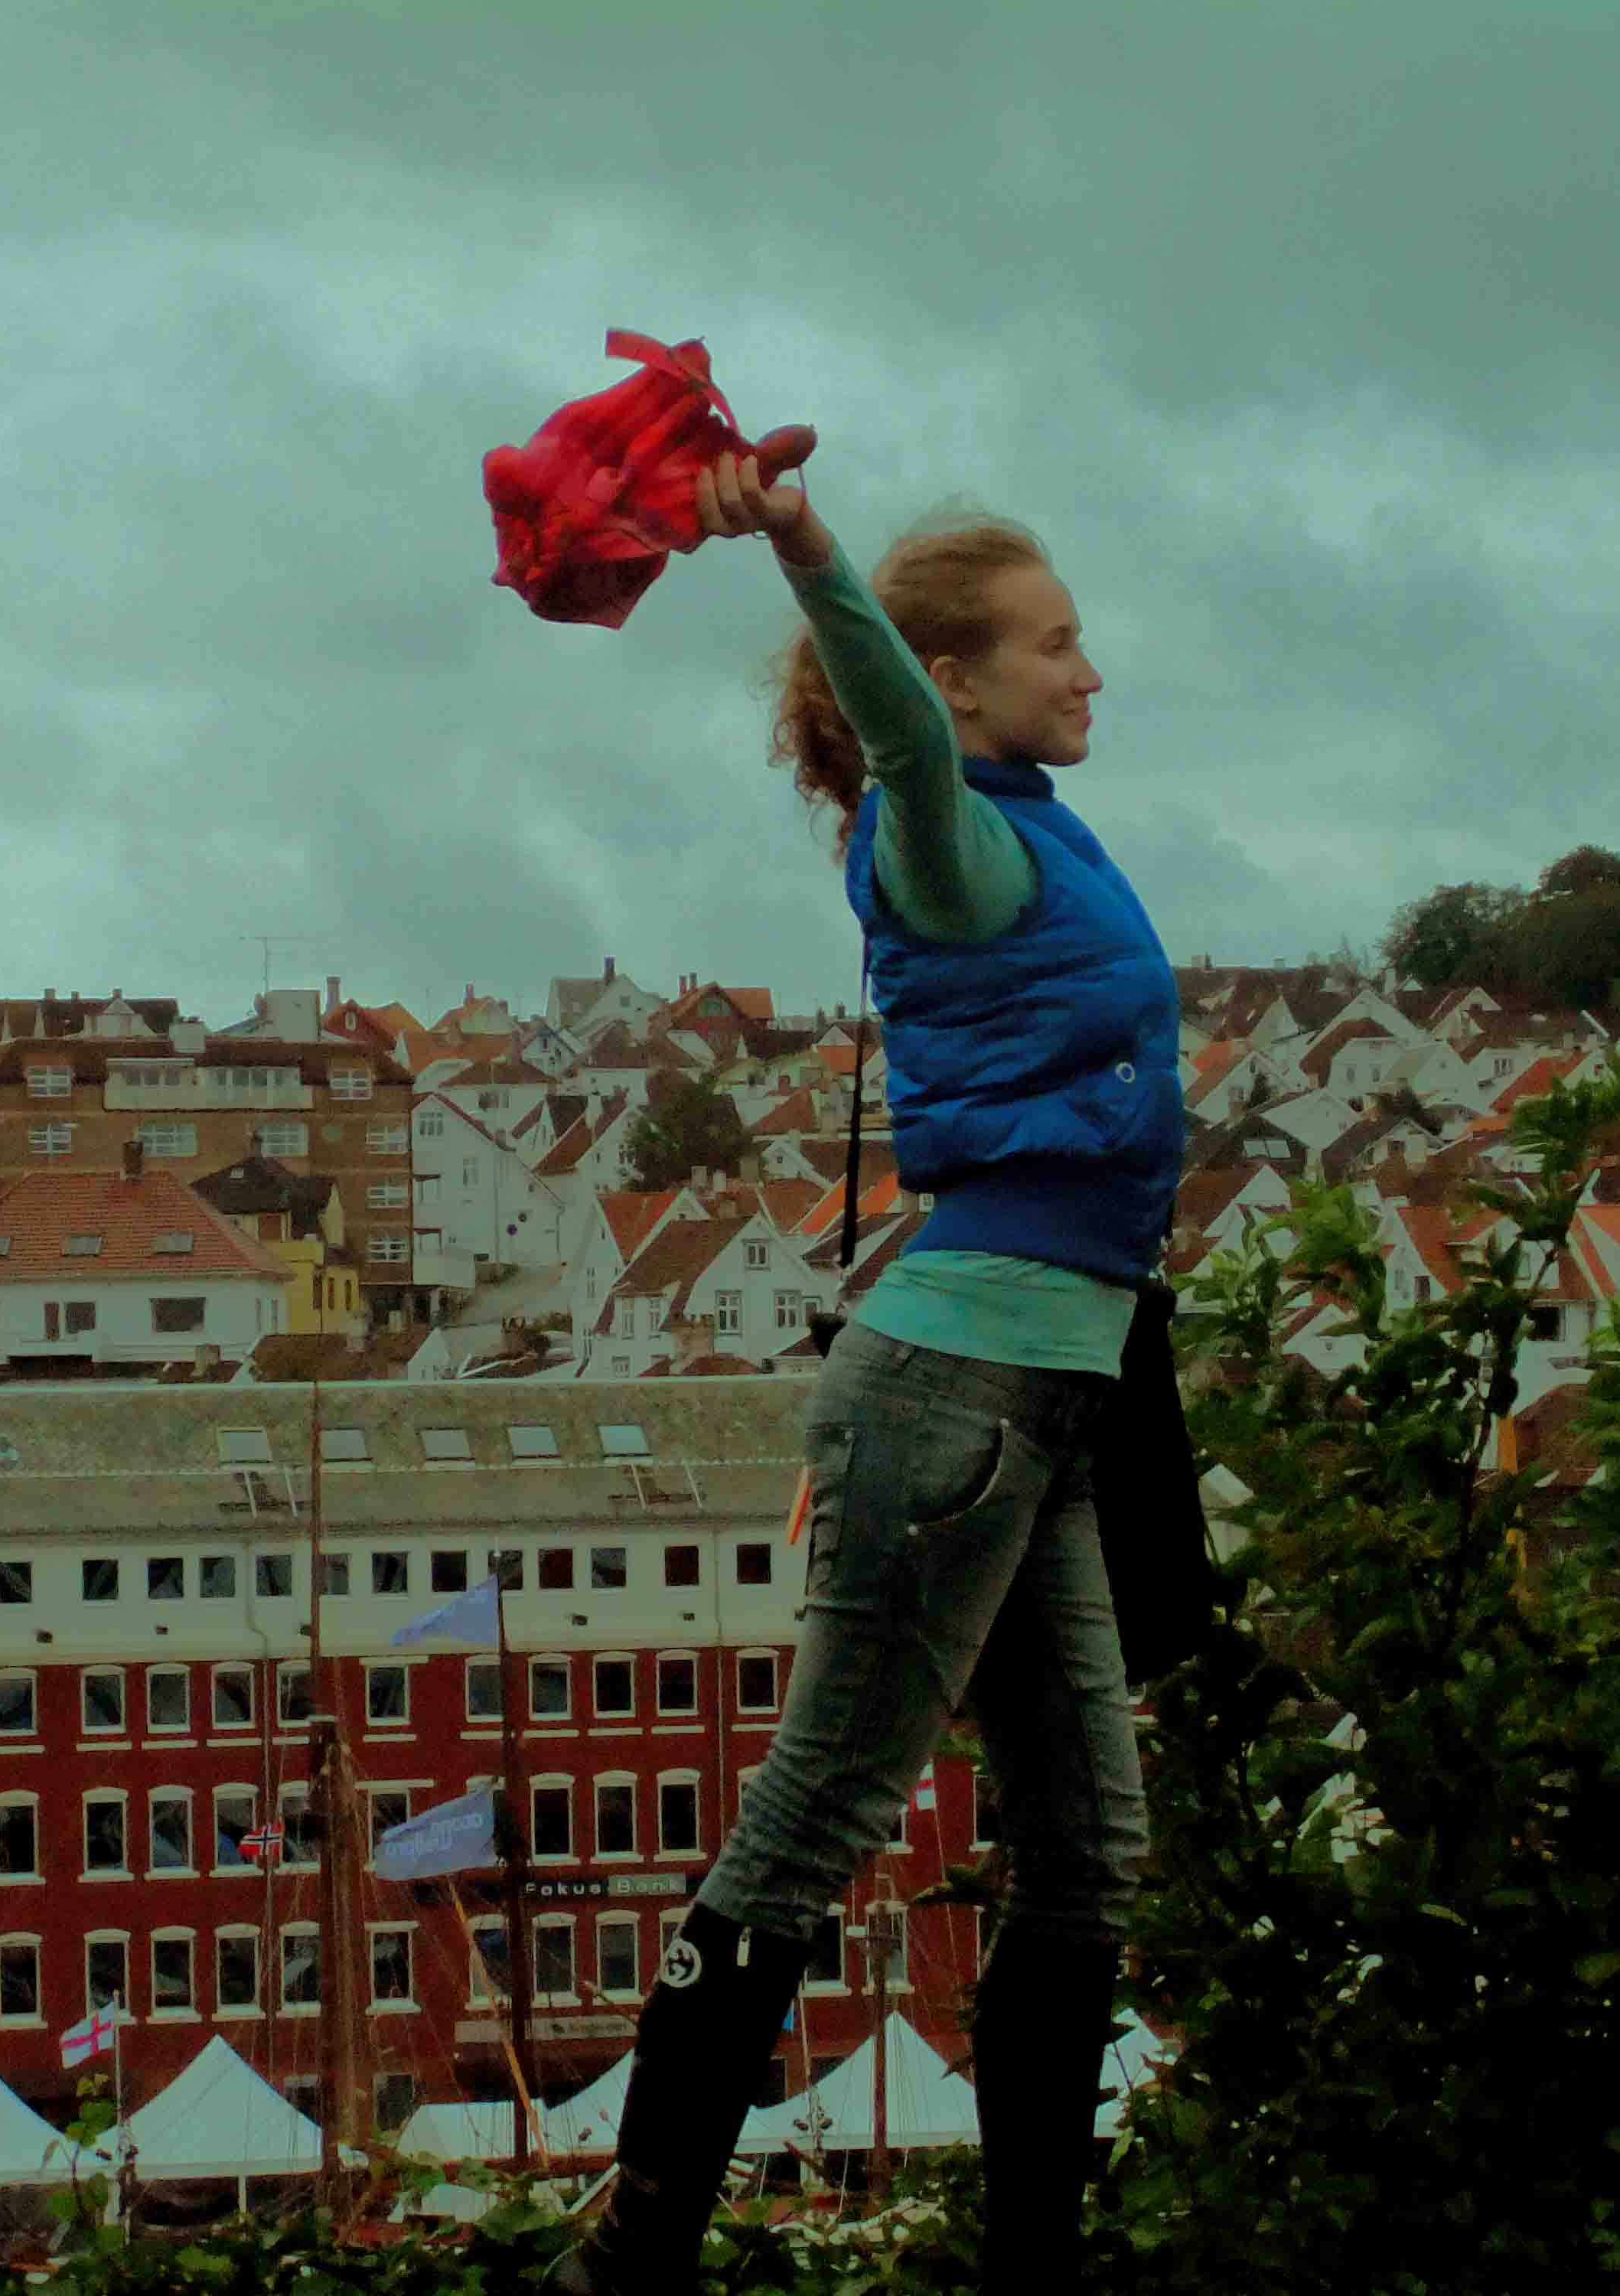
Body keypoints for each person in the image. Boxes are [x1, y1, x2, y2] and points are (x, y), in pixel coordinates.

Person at [547, 438, 1178, 2294]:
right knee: (812, 1825)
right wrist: (810, 551)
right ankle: (632, 2254)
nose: (1088, 672)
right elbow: (897, 741)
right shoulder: (947, 840)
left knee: (1088, 1853)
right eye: (1052, 645)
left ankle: (1032, 2270)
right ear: (954, 681)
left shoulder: (1037, 832)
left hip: (1045, 1394)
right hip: (955, 1400)